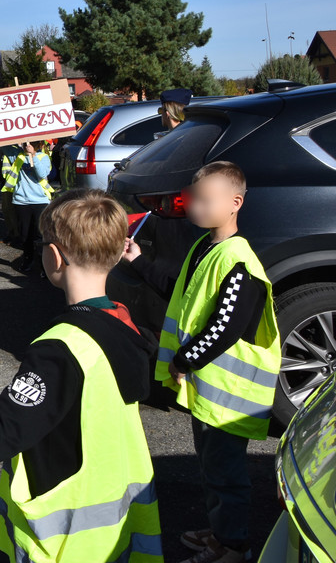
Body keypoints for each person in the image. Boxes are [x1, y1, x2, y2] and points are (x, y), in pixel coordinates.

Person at [0, 190, 163, 563]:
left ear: (53, 257)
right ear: (118, 254)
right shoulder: (127, 327)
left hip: (65, 544)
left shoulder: (59, 349)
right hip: (117, 531)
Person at [144, 162, 279, 563]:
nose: (194, 207)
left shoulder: (238, 262)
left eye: (205, 201)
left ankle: (234, 546)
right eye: (193, 199)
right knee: (211, 468)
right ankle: (222, 532)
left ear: (235, 203)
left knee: (225, 473)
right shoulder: (207, 248)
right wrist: (137, 262)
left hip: (230, 397)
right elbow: (183, 294)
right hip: (210, 392)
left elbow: (225, 328)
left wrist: (184, 360)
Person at [11, 139, 54, 273]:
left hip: (40, 200)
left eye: (30, 144)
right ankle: (28, 258)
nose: (27, 146)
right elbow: (4, 148)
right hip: (21, 200)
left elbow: (42, 174)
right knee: (25, 234)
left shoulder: (44, 157)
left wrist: (33, 156)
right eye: (25, 144)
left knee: (40, 234)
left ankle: (44, 264)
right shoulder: (18, 156)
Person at [0, 143, 24, 246]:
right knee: (6, 210)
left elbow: (4, 147)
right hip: (7, 183)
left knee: (11, 211)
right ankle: (12, 233)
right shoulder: (11, 149)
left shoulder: (14, 150)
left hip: (12, 184)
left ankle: (16, 236)